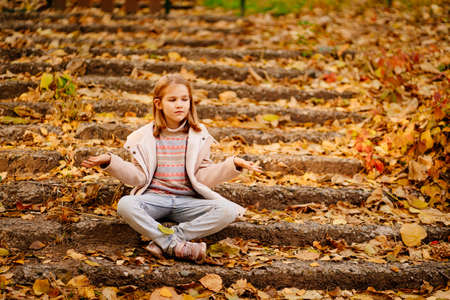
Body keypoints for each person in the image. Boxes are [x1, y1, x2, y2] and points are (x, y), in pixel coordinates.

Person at [81, 74, 261, 264]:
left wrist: (232, 165)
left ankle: (169, 240)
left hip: (187, 201)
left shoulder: (199, 134)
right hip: (154, 199)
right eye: (173, 100)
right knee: (126, 204)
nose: (180, 105)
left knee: (228, 210)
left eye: (185, 99)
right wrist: (111, 162)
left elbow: (202, 176)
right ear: (158, 104)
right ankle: (175, 245)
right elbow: (138, 178)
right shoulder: (141, 137)